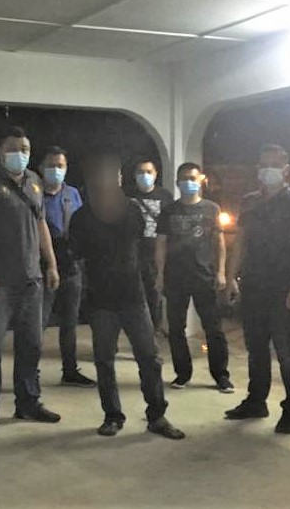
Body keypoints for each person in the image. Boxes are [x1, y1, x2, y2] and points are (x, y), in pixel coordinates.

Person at [69, 153, 186, 440]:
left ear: (120, 178)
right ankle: (112, 416)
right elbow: (78, 257)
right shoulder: (82, 217)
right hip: (101, 301)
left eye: (114, 175)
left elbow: (142, 248)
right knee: (104, 361)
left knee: (150, 358)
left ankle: (157, 416)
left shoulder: (133, 210)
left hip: (134, 297)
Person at [0, 126, 61, 436]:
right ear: (0, 151)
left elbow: (41, 224)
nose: (20, 154)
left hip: (31, 281)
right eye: (13, 148)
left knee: (31, 345)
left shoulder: (34, 181)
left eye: (25, 149)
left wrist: (51, 264)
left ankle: (28, 402)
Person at [225, 144, 290, 435]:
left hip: (283, 288)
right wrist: (230, 278)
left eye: (274, 165)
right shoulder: (250, 202)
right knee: (255, 349)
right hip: (253, 286)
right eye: (263, 164)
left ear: (286, 170)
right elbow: (240, 242)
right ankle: (256, 401)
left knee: (286, 351)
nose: (268, 170)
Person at [155, 162, 233, 393]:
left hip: (204, 277)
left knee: (214, 329)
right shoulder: (169, 210)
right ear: (177, 182)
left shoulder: (212, 209)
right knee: (176, 329)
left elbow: (219, 242)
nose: (188, 182)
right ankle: (182, 374)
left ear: (200, 181)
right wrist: (159, 275)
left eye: (192, 178)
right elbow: (161, 244)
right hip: (175, 278)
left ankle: (221, 376)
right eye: (183, 178)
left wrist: (221, 271)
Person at [40, 146, 97, 388]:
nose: (56, 170)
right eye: (51, 165)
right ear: (41, 168)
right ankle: (29, 373)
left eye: (60, 165)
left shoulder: (72, 193)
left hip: (71, 265)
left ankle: (70, 370)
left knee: (69, 323)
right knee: (38, 322)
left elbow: (82, 226)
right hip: (42, 265)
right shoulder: (34, 193)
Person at [129, 159, 174, 334]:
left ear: (155, 174)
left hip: (155, 255)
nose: (145, 175)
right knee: (134, 297)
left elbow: (170, 226)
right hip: (132, 256)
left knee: (154, 296)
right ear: (134, 175)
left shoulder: (165, 196)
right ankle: (138, 332)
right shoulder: (127, 195)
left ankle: (154, 330)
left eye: (149, 171)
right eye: (140, 171)